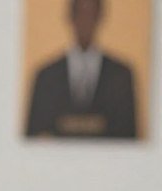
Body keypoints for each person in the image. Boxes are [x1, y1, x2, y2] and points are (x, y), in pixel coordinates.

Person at [26, 0, 137, 139]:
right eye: (80, 14)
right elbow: (33, 138)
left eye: (91, 14)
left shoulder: (121, 77)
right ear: (70, 17)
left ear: (100, 17)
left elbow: (129, 139)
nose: (85, 21)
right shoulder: (46, 77)